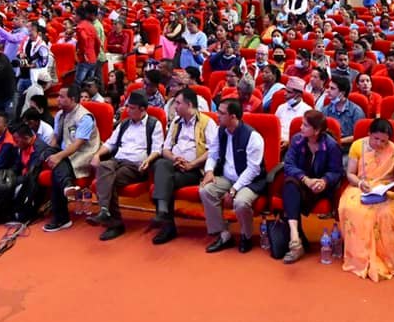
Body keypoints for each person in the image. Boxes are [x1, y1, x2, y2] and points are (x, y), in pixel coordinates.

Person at [337, 116, 394, 281]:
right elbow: (350, 173)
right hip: (361, 186)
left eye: (384, 141)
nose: (379, 144)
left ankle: (383, 259)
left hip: (386, 188)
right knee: (350, 208)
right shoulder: (358, 146)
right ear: (369, 134)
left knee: (386, 214)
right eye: (376, 139)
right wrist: (360, 183)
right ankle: (359, 256)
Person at [276, 109, 345, 263]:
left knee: (291, 191)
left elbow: (337, 171)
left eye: (305, 125)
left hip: (320, 188)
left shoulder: (331, 146)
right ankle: (295, 236)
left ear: (317, 130)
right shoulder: (297, 140)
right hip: (302, 183)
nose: (301, 127)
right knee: (290, 183)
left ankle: (296, 241)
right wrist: (305, 179)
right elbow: (289, 165)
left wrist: (324, 181)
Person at [91, 91, 161, 240]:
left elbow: (157, 149)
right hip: (117, 160)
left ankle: (114, 222)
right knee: (103, 166)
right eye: (127, 107)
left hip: (136, 165)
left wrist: (148, 160)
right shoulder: (124, 124)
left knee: (109, 181)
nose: (127, 110)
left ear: (143, 109)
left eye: (132, 108)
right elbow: (110, 144)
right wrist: (97, 154)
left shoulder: (154, 124)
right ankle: (105, 211)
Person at [200, 99, 265, 253]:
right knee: (205, 190)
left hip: (250, 181)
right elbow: (213, 153)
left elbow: (253, 169)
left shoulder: (253, 136)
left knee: (241, 202)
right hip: (227, 176)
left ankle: (246, 236)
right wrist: (209, 171)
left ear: (233, 117)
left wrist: (234, 189)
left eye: (221, 113)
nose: (217, 115)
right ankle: (224, 235)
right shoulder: (220, 130)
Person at [150, 91, 213, 244]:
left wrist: (192, 164)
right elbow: (165, 149)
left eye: (178, 103)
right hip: (174, 165)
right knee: (160, 164)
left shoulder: (207, 123)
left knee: (165, 180)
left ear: (189, 104)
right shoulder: (176, 122)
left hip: (195, 169)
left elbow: (214, 151)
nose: (175, 107)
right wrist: (174, 158)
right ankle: (164, 213)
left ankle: (166, 223)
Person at [38, 86, 99, 233]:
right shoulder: (60, 114)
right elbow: (55, 138)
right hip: (65, 153)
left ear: (72, 99)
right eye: (58, 96)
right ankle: (67, 185)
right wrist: (50, 152)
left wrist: (57, 156)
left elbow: (77, 145)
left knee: (57, 169)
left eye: (62, 97)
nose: (58, 99)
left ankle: (62, 219)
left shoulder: (85, 117)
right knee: (45, 150)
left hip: (82, 155)